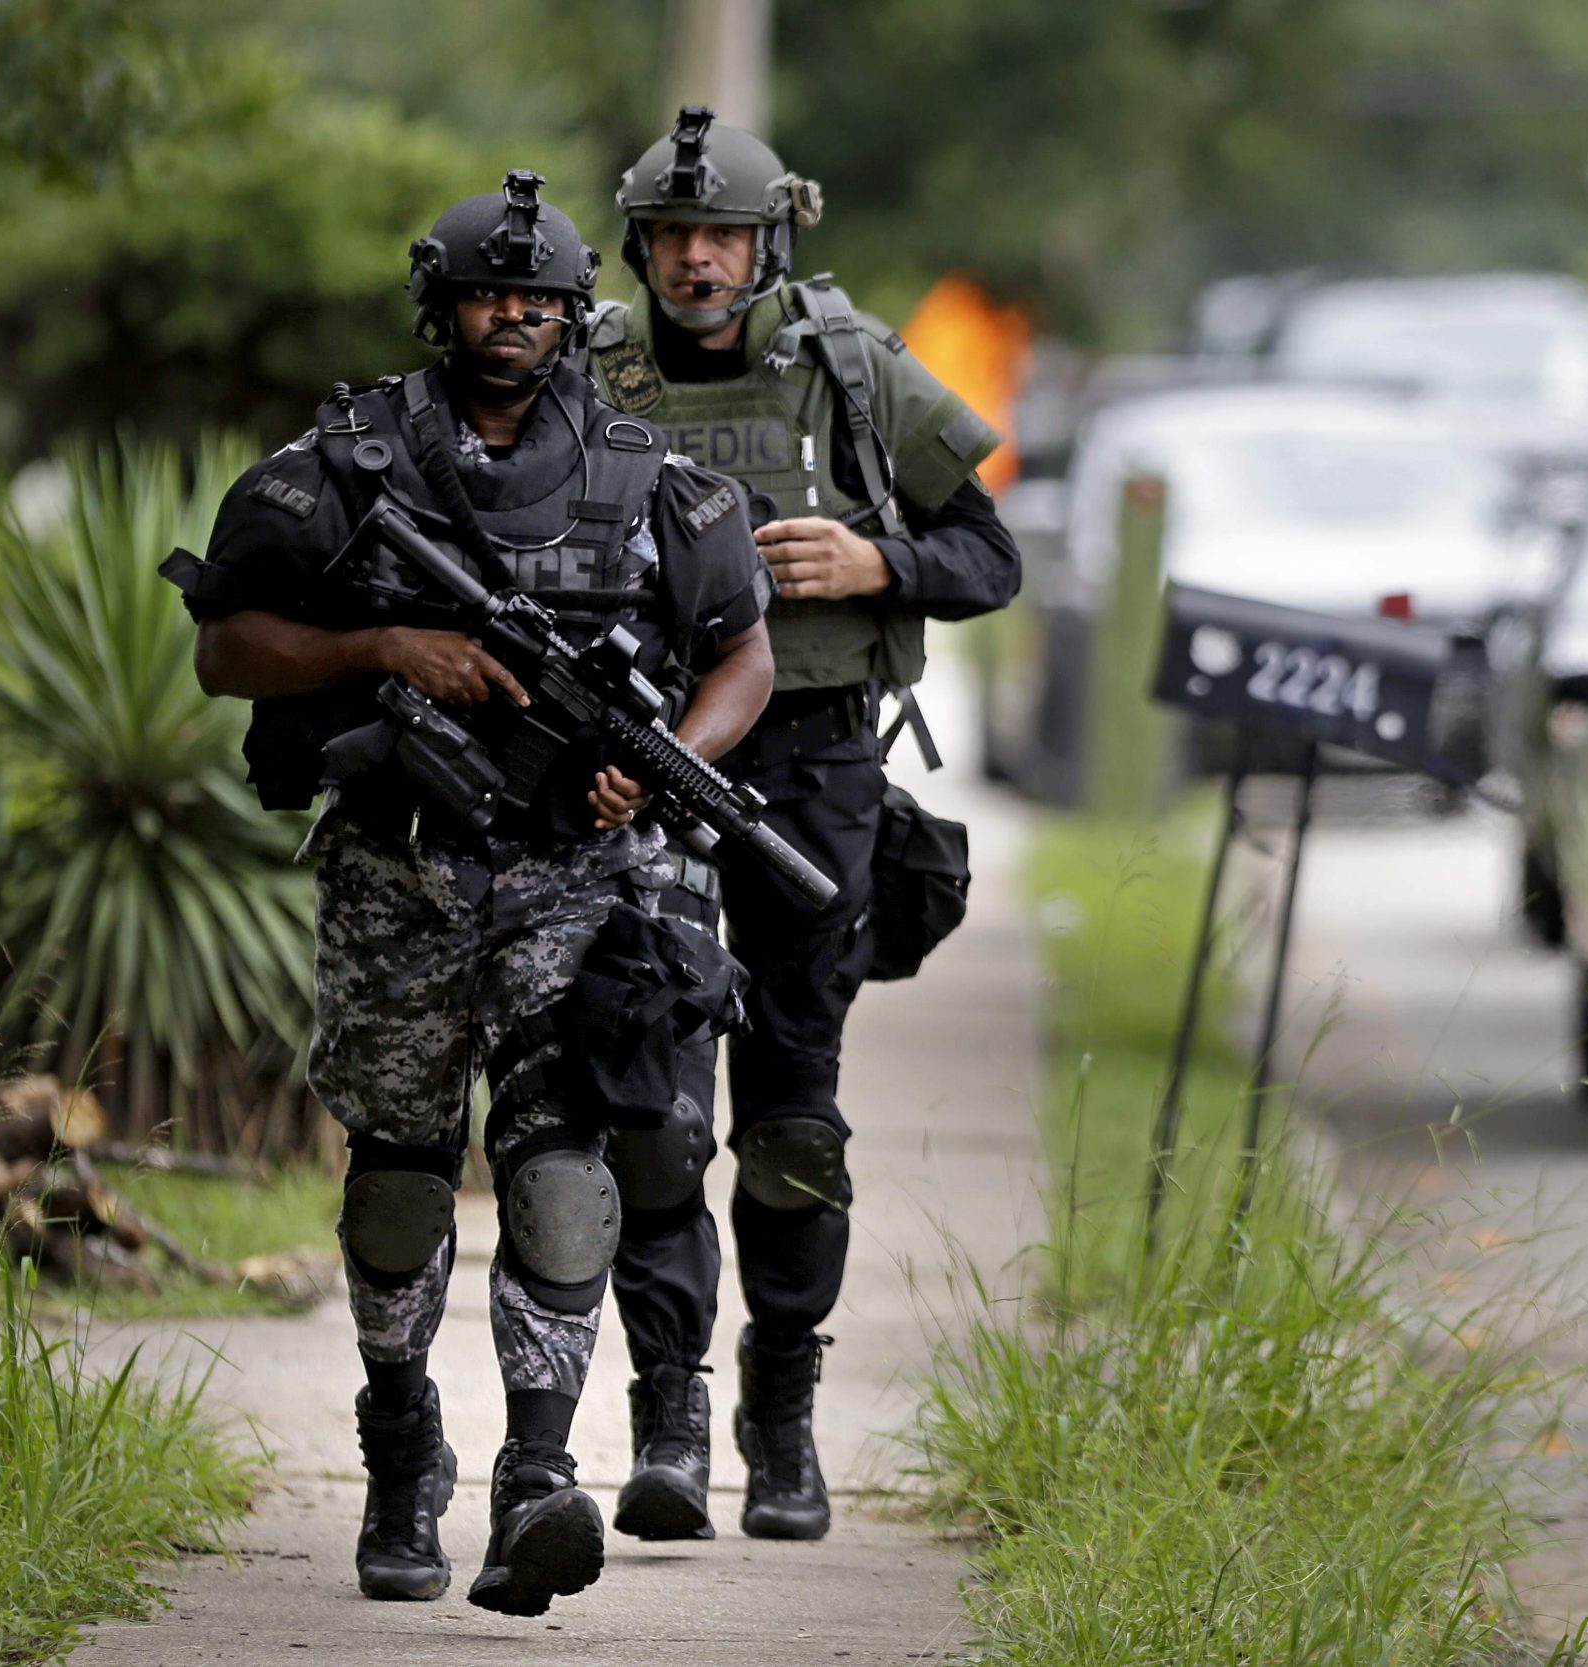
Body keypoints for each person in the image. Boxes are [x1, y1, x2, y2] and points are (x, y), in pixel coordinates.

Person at [167, 170, 773, 1615]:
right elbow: (226, 646)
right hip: (400, 872)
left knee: (562, 1174)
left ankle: (534, 1481)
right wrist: (383, 648)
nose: (517, 316)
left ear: (574, 316)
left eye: (543, 299)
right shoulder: (341, 465)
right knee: (398, 1182)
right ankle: (401, 1449)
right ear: (440, 309)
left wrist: (664, 769)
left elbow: (744, 651)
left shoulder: (647, 474)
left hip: (580, 877)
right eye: (492, 294)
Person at [584, 106, 1019, 1544]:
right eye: (674, 237)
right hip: (643, 764)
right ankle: (668, 1416)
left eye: (723, 235)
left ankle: (782, 1415)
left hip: (815, 766)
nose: (698, 260)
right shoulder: (589, 371)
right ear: (641, 246)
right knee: (653, 1114)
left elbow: (990, 558)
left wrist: (874, 561)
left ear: (767, 241)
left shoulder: (852, 367)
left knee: (789, 1117)